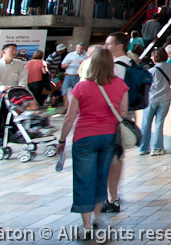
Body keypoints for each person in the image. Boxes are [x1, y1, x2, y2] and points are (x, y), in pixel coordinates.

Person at [55, 48, 128, 236]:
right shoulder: (120, 85)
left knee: (83, 179)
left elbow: (70, 117)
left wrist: (62, 139)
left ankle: (86, 225)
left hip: (85, 137)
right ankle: (97, 216)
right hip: (110, 137)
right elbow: (123, 114)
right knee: (100, 177)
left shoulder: (81, 86)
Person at [103, 32, 132, 214]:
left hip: (112, 118)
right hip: (121, 117)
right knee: (117, 157)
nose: (106, 47)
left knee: (112, 159)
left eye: (108, 44)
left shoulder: (117, 68)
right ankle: (112, 195)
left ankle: (111, 197)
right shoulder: (130, 63)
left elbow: (115, 95)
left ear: (119, 46)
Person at [139, 48, 171, 157]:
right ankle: (157, 148)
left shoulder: (152, 71)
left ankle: (143, 148)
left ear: (155, 57)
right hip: (165, 97)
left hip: (152, 99)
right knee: (159, 124)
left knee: (146, 124)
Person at [0, 44, 27, 114]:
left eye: (16, 50)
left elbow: (23, 76)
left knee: (12, 115)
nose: (15, 52)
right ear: (4, 52)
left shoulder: (19, 63)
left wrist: (21, 86)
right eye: (12, 50)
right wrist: (2, 87)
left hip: (13, 93)